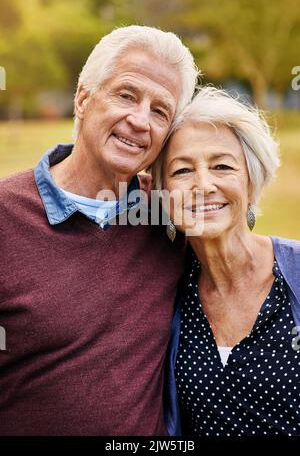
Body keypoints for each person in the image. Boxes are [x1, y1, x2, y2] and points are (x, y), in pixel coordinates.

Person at [0, 25, 199, 436]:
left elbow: (239, 229)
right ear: (83, 98)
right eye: (126, 95)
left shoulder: (170, 215)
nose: (140, 120)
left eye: (160, 111)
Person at [150, 86, 300, 436]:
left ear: (251, 182)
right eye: (182, 171)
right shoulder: (169, 296)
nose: (203, 184)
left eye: (222, 166)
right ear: (163, 195)